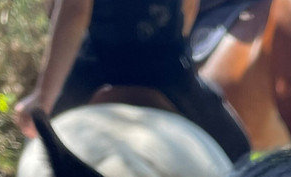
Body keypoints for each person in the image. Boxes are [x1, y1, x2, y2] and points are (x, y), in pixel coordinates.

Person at [15, 0, 250, 162]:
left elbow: (75, 11)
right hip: (167, 69)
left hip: (99, 66)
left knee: (38, 147)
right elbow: (189, 6)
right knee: (239, 151)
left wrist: (43, 99)